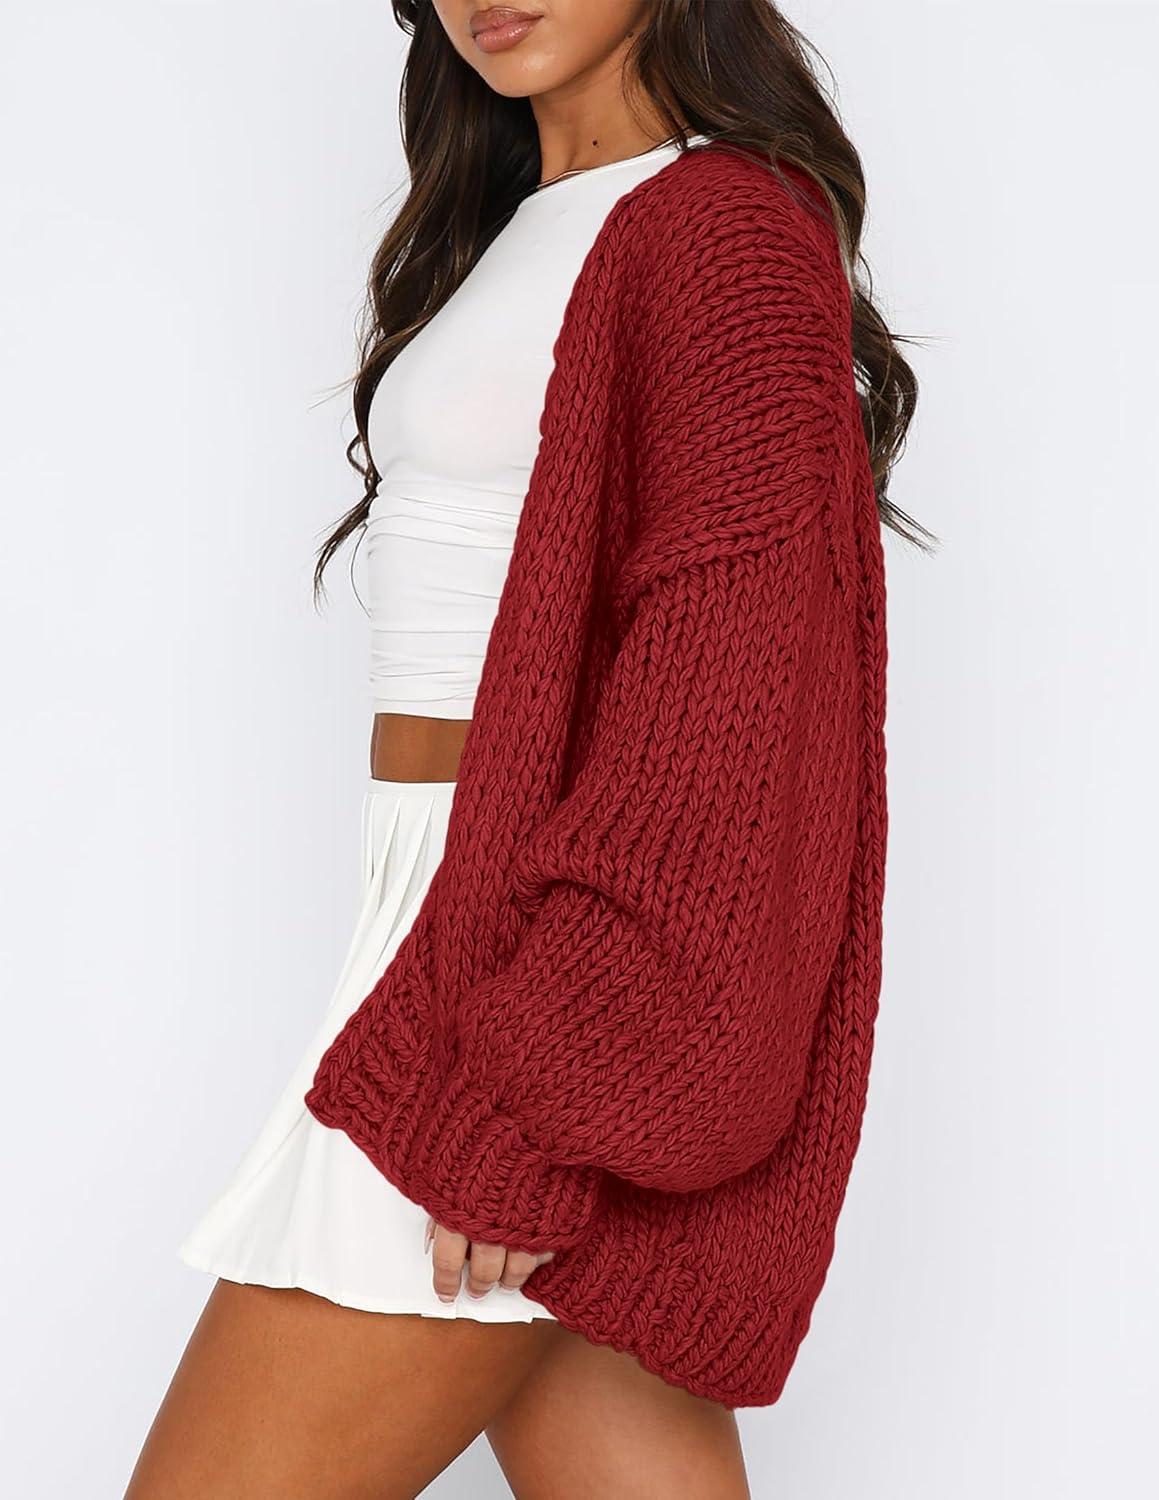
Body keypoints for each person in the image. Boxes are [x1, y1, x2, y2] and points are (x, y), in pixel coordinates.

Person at [127, 2, 923, 1495]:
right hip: (441, 905)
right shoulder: (529, 222)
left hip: (522, 979)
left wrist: (551, 1087)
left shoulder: (723, 229)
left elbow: (728, 710)